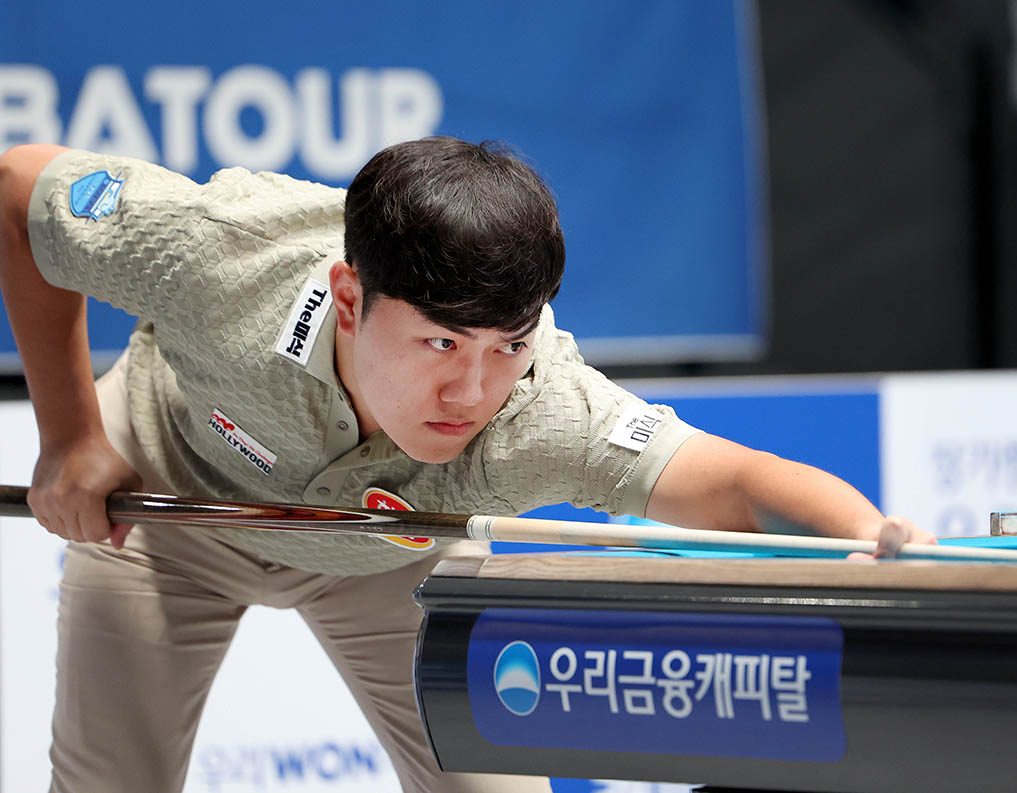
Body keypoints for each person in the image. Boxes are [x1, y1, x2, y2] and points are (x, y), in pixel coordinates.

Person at [0, 137, 935, 793]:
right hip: (167, 505)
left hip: (391, 556)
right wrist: (72, 435)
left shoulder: (545, 411)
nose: (473, 392)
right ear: (352, 298)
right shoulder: (221, 256)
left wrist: (865, 535)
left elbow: (730, 482)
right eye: (442, 344)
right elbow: (17, 187)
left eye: (506, 345)